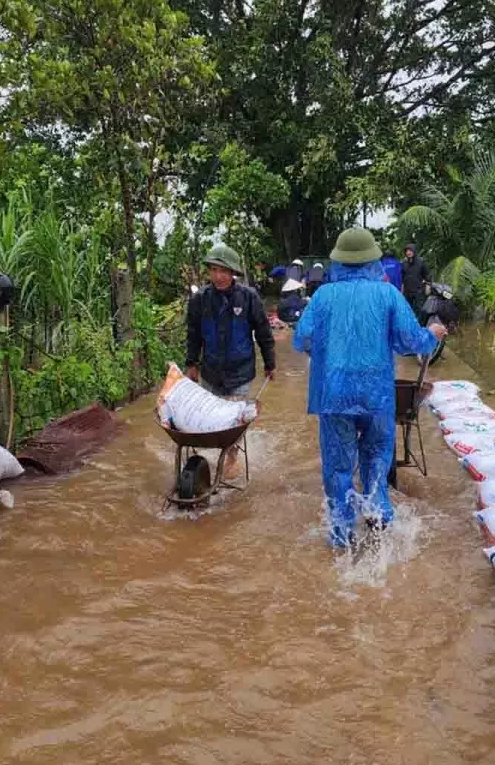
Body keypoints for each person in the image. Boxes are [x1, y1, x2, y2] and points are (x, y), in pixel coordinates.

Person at [293, 228, 446, 548]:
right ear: (373, 260)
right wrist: (433, 332)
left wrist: (328, 351)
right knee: (376, 459)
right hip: (376, 396)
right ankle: (378, 526)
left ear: (338, 262)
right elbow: (410, 342)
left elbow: (302, 339)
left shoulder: (323, 296)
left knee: (338, 467)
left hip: (334, 396)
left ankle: (341, 538)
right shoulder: (387, 294)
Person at [186, 245, 277, 475]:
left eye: (223, 271)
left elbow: (264, 332)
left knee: (233, 420)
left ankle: (232, 457)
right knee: (209, 417)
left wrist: (270, 363)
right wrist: (191, 364)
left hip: (240, 371)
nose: (218, 276)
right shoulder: (200, 300)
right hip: (210, 370)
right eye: (214, 270)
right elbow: (193, 334)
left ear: (233, 273)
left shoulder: (248, 298)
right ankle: (209, 456)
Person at [401, 243, 431, 317]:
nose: (408, 252)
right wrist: (402, 290)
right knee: (407, 309)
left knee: (421, 309)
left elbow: (427, 275)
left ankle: (422, 325)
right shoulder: (404, 263)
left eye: (410, 250)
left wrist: (428, 285)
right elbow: (403, 278)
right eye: (407, 251)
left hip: (418, 290)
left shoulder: (421, 262)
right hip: (407, 291)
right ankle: (410, 326)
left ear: (414, 251)